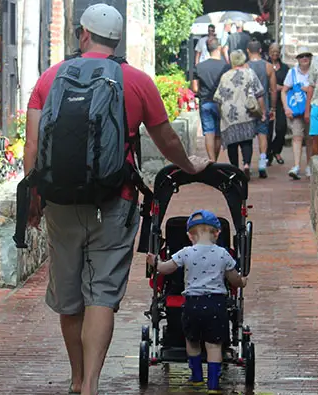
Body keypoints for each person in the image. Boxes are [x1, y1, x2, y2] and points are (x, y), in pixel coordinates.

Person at [23, 5, 210, 395]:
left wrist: (33, 198)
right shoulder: (135, 80)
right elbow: (167, 140)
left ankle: (76, 379)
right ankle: (92, 383)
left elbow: (33, 146)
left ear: (83, 35)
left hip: (59, 203)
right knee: (102, 295)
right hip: (115, 201)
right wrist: (190, 166)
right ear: (117, 40)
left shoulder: (51, 78)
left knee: (70, 296)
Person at [147, 210, 248, 392]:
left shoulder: (185, 252)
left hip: (192, 304)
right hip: (216, 305)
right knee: (214, 345)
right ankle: (213, 384)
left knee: (192, 342)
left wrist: (155, 262)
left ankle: (196, 378)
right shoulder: (223, 254)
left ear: (189, 235)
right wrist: (242, 281)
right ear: (217, 233)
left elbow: (165, 268)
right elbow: (234, 279)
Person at [214, 49, 267, 180]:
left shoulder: (225, 76)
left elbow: (218, 97)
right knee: (246, 140)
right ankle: (247, 164)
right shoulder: (250, 73)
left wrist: (221, 113)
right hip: (246, 111)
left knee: (232, 142)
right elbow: (259, 94)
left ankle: (235, 169)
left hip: (229, 113)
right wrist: (263, 111)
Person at [192, 38, 231, 161]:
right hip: (220, 103)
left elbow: (194, 88)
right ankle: (216, 159)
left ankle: (211, 160)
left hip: (205, 102)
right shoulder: (226, 67)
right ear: (218, 48)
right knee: (218, 134)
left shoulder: (199, 67)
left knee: (209, 133)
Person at [281, 46, 314, 180]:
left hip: (312, 109)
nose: (304, 58)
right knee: (297, 137)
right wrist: (286, 108)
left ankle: (309, 166)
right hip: (297, 111)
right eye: (301, 56)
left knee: (310, 139)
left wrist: (310, 89)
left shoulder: (314, 71)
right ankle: (296, 166)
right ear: (298, 59)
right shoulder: (292, 73)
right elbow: (284, 90)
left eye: (307, 55)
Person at [246, 40, 277, 179]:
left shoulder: (245, 67)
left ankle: (246, 162)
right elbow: (273, 89)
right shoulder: (269, 67)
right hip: (263, 103)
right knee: (263, 133)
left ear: (248, 51)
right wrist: (273, 108)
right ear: (260, 51)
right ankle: (262, 161)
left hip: (248, 106)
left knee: (247, 135)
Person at [267, 43, 290, 165]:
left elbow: (288, 84)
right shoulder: (265, 66)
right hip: (267, 101)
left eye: (277, 51)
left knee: (281, 128)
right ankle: (267, 154)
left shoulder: (285, 68)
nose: (274, 54)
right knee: (268, 130)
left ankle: (276, 150)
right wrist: (272, 88)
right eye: (272, 51)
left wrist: (278, 87)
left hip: (281, 100)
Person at [307, 55, 318, 172]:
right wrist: (307, 109)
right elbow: (311, 86)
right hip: (317, 103)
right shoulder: (316, 60)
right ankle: (315, 170)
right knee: (315, 138)